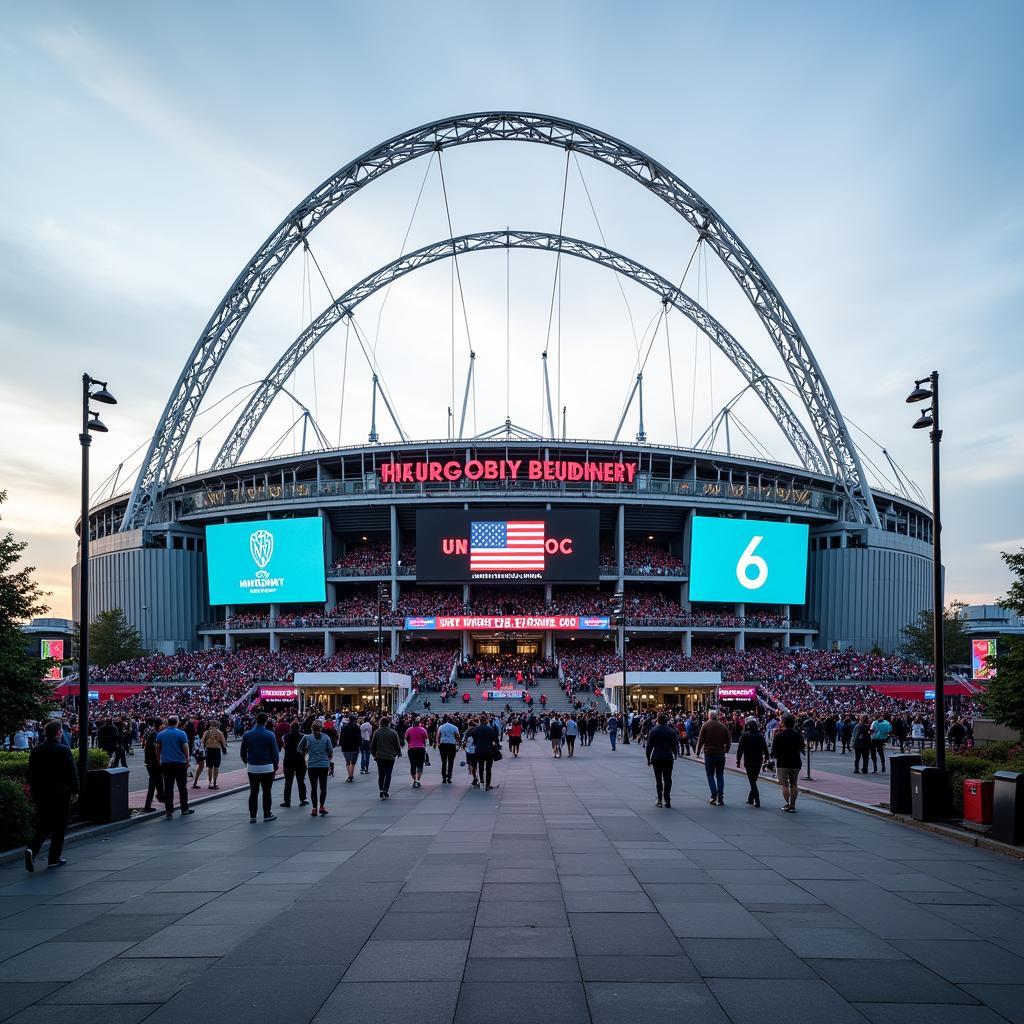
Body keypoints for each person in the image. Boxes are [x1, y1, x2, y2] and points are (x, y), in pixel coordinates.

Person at [25, 720, 79, 871]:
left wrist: (35, 791)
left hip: (41, 793)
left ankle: (31, 849)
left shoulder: (36, 750)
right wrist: (76, 790)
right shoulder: (63, 749)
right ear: (58, 733)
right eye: (61, 732)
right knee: (60, 825)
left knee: (43, 824)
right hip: (61, 793)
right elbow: (72, 772)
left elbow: (30, 774)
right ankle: (54, 858)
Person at [239, 712, 279, 823]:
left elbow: (242, 753)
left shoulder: (247, 735)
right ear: (266, 722)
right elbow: (275, 753)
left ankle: (252, 815)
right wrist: (275, 766)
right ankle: (267, 814)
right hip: (267, 766)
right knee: (267, 791)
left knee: (253, 791)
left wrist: (247, 762)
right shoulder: (270, 735)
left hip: (252, 767)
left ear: (256, 720)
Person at [155, 715, 194, 819]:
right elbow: (185, 747)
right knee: (182, 787)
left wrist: (159, 759)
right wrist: (187, 759)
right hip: (180, 763)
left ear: (168, 722)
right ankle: (184, 808)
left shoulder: (161, 734)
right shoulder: (181, 733)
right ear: (176, 723)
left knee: (168, 787)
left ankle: (169, 811)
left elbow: (158, 749)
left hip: (166, 763)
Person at [770, 714, 806, 813]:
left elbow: (773, 752)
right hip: (795, 762)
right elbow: (802, 748)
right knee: (794, 784)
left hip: (782, 763)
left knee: (785, 785)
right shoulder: (798, 735)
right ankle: (793, 805)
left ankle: (787, 804)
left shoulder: (778, 736)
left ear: (783, 724)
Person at [695, 709, 731, 806]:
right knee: (720, 775)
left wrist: (697, 752)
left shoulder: (705, 725)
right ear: (717, 716)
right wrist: (726, 750)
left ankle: (713, 795)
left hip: (709, 753)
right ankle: (720, 796)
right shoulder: (723, 726)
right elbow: (729, 739)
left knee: (710, 775)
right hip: (720, 754)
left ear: (709, 716)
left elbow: (701, 739)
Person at [645, 713, 680, 808]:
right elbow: (675, 745)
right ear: (666, 721)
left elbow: (649, 746)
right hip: (668, 757)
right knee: (668, 779)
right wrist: (675, 754)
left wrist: (648, 758)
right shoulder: (671, 731)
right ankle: (667, 800)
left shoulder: (653, 731)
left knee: (658, 779)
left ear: (658, 721)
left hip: (657, 757)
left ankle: (659, 799)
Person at [299, 719, 333, 815]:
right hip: (323, 764)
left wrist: (305, 755)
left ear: (312, 728)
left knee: (313, 787)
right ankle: (321, 806)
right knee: (323, 787)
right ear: (321, 727)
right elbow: (330, 750)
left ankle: (314, 808)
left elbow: (299, 748)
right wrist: (329, 759)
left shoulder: (307, 738)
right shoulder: (326, 737)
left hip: (312, 765)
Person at [736, 718, 770, 807]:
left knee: (752, 781)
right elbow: (765, 748)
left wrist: (738, 760)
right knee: (754, 779)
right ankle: (750, 799)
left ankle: (757, 799)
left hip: (748, 760)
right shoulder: (760, 736)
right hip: (758, 760)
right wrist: (766, 757)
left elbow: (740, 749)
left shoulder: (745, 736)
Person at [370, 715, 401, 799]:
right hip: (390, 756)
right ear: (388, 724)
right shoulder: (393, 732)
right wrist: (398, 752)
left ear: (380, 723)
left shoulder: (377, 732)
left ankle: (380, 790)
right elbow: (397, 745)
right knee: (388, 774)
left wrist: (374, 754)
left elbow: (373, 745)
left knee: (381, 774)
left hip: (379, 756)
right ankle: (385, 790)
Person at [280, 721, 309, 808]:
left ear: (290, 728)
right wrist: (304, 754)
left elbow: (284, 747)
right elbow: (306, 748)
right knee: (301, 781)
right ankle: (303, 799)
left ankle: (287, 801)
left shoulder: (285, 737)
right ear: (299, 728)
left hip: (288, 761)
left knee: (288, 782)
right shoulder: (303, 737)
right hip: (300, 760)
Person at [469, 715, 499, 791]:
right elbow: (494, 739)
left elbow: (474, 740)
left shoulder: (476, 729)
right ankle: (488, 785)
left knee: (481, 766)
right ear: (486, 720)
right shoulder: (490, 729)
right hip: (489, 750)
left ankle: (481, 781)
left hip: (479, 750)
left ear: (480, 720)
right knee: (488, 768)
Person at [141, 719, 164, 812]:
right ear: (159, 725)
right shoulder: (155, 734)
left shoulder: (152, 733)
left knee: (155, 783)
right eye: (163, 725)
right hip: (154, 763)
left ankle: (160, 798)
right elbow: (155, 749)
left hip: (151, 763)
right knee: (156, 783)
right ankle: (161, 798)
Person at [201, 720, 227, 789]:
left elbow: (202, 742)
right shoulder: (220, 733)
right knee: (216, 767)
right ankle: (215, 782)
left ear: (211, 725)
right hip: (217, 750)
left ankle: (210, 783)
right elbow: (224, 744)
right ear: (217, 725)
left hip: (209, 750)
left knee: (210, 767)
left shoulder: (206, 732)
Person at [405, 714, 428, 788]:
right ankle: (418, 780)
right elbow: (426, 739)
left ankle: (414, 780)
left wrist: (409, 742)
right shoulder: (423, 729)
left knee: (413, 764)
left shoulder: (409, 729)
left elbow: (406, 737)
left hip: (411, 748)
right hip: (421, 748)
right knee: (420, 764)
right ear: (419, 724)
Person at [338, 715, 362, 783]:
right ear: (355, 720)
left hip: (346, 747)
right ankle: (351, 775)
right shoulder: (356, 727)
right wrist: (359, 745)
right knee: (353, 762)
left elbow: (341, 737)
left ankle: (349, 775)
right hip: (355, 747)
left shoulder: (344, 728)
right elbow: (359, 737)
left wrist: (341, 745)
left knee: (348, 762)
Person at [437, 715, 461, 783]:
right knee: (451, 761)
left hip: (443, 744)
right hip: (451, 744)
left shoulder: (441, 727)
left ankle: (444, 777)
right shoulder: (454, 727)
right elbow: (458, 736)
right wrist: (459, 743)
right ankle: (449, 777)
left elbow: (438, 736)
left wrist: (438, 743)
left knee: (444, 761)